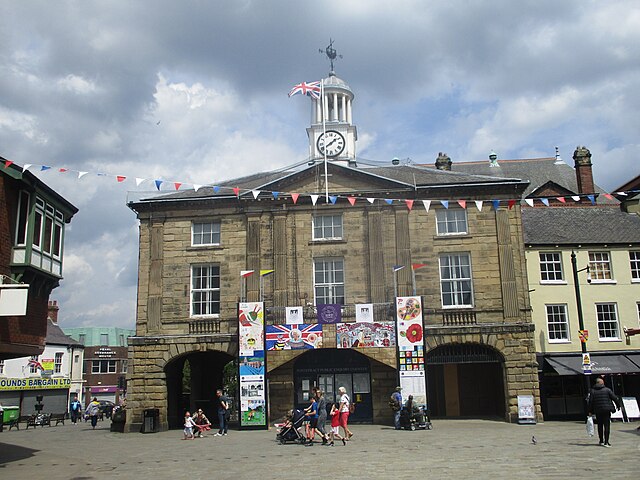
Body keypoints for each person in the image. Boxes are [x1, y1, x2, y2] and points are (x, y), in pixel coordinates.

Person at [588, 377, 621, 447]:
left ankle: (601, 441)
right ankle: (606, 442)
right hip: (607, 409)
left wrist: (590, 411)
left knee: (600, 425)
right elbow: (614, 398)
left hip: (598, 410)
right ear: (602, 383)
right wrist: (618, 406)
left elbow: (591, 402)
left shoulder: (593, 391)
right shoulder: (607, 390)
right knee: (607, 426)